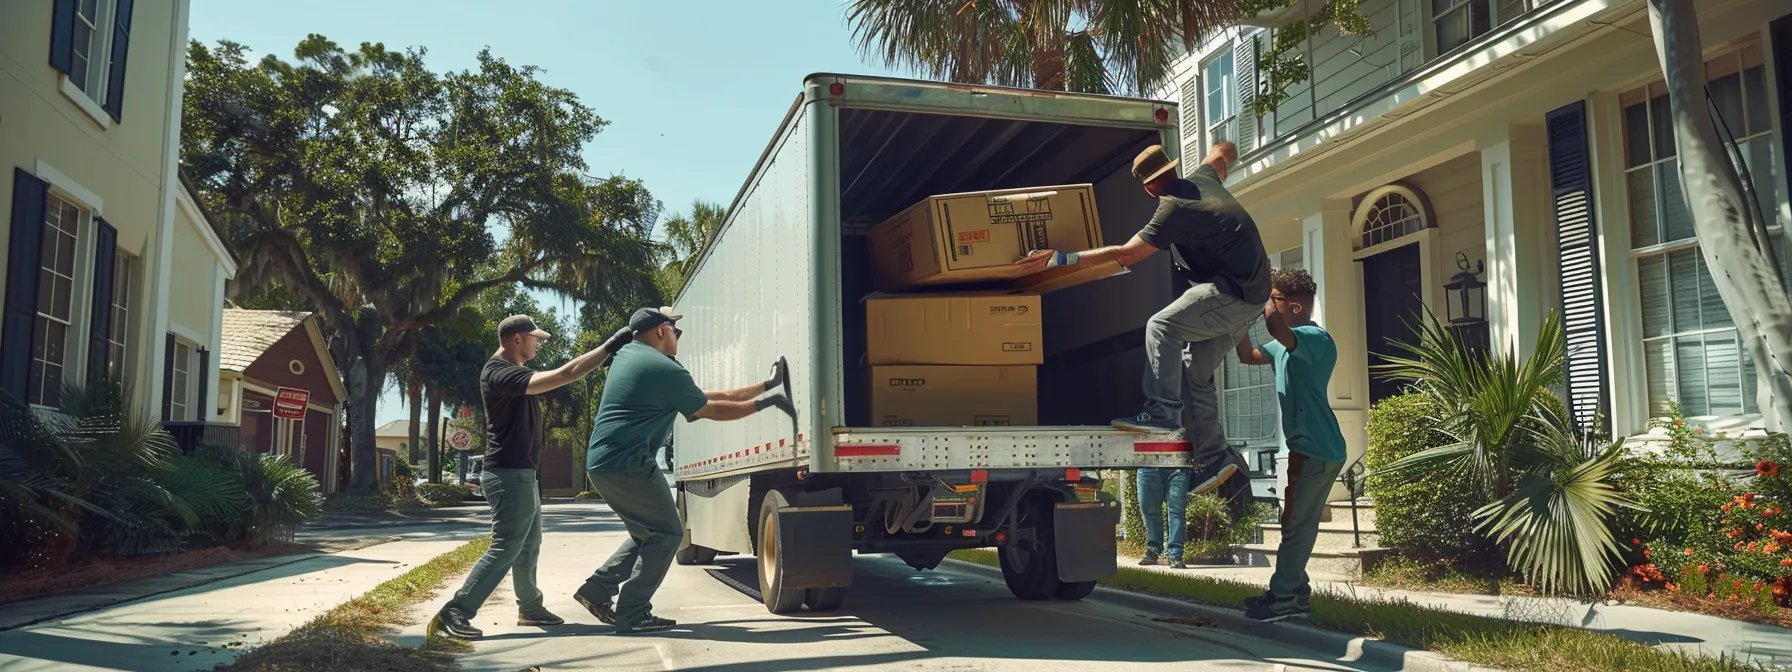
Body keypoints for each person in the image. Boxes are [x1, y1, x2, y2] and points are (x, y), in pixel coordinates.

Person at [1017, 141, 1270, 498]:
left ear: (1149, 186)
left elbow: (1128, 254)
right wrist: (1225, 147)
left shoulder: (1173, 209)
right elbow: (1223, 151)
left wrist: (1061, 258)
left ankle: (1162, 414)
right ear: (1173, 168)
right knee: (1196, 371)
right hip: (1254, 293)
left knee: (1161, 326)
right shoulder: (1205, 176)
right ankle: (1214, 457)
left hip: (1231, 295)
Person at [575, 306, 794, 634]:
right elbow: (711, 409)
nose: (678, 336)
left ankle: (596, 590)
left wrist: (766, 386)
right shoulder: (661, 368)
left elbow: (708, 396)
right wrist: (767, 406)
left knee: (648, 533)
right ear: (661, 331)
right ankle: (632, 612)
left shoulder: (631, 356)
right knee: (669, 533)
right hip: (628, 463)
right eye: (674, 329)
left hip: (605, 463)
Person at [430, 315, 634, 640]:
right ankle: (454, 613)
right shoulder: (499, 373)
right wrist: (612, 345)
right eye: (534, 338)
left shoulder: (513, 373)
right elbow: (568, 374)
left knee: (528, 545)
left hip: (520, 474)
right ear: (516, 339)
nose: (538, 343)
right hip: (508, 475)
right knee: (506, 545)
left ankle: (530, 607)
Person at [1234, 268, 1346, 622]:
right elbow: (1248, 356)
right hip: (1308, 447)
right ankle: (1295, 592)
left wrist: (1253, 296)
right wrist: (1236, 324)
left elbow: (1272, 327)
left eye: (1275, 298)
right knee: (1294, 524)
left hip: (1317, 447)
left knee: (1297, 526)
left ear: (1295, 307)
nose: (1270, 304)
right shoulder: (1283, 346)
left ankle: (1283, 597)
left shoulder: (1315, 338)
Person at [1135, 466, 1193, 568]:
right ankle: (1153, 550)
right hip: (1147, 463)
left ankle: (1175, 555)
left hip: (1178, 463)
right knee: (1149, 509)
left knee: (1176, 511)